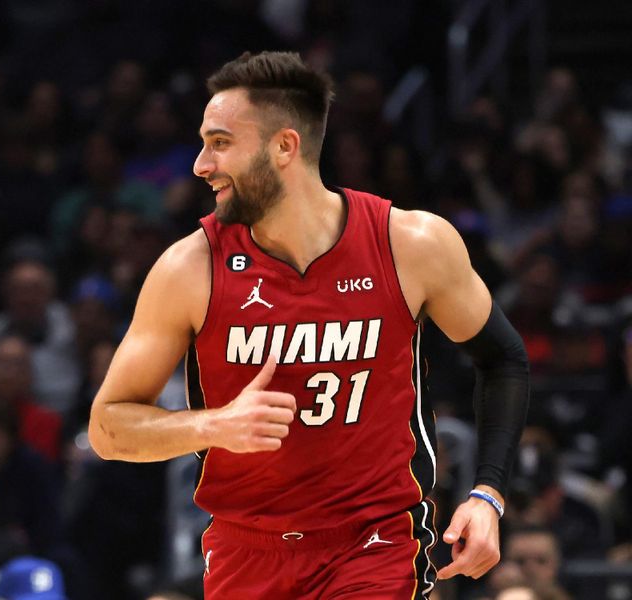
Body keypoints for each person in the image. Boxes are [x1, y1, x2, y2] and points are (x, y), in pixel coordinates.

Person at [88, 51, 529, 599]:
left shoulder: (410, 244)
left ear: (284, 147)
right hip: (246, 548)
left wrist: (488, 494)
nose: (201, 164)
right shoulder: (189, 267)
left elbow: (503, 358)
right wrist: (213, 425)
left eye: (220, 143)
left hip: (376, 542)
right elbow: (107, 428)